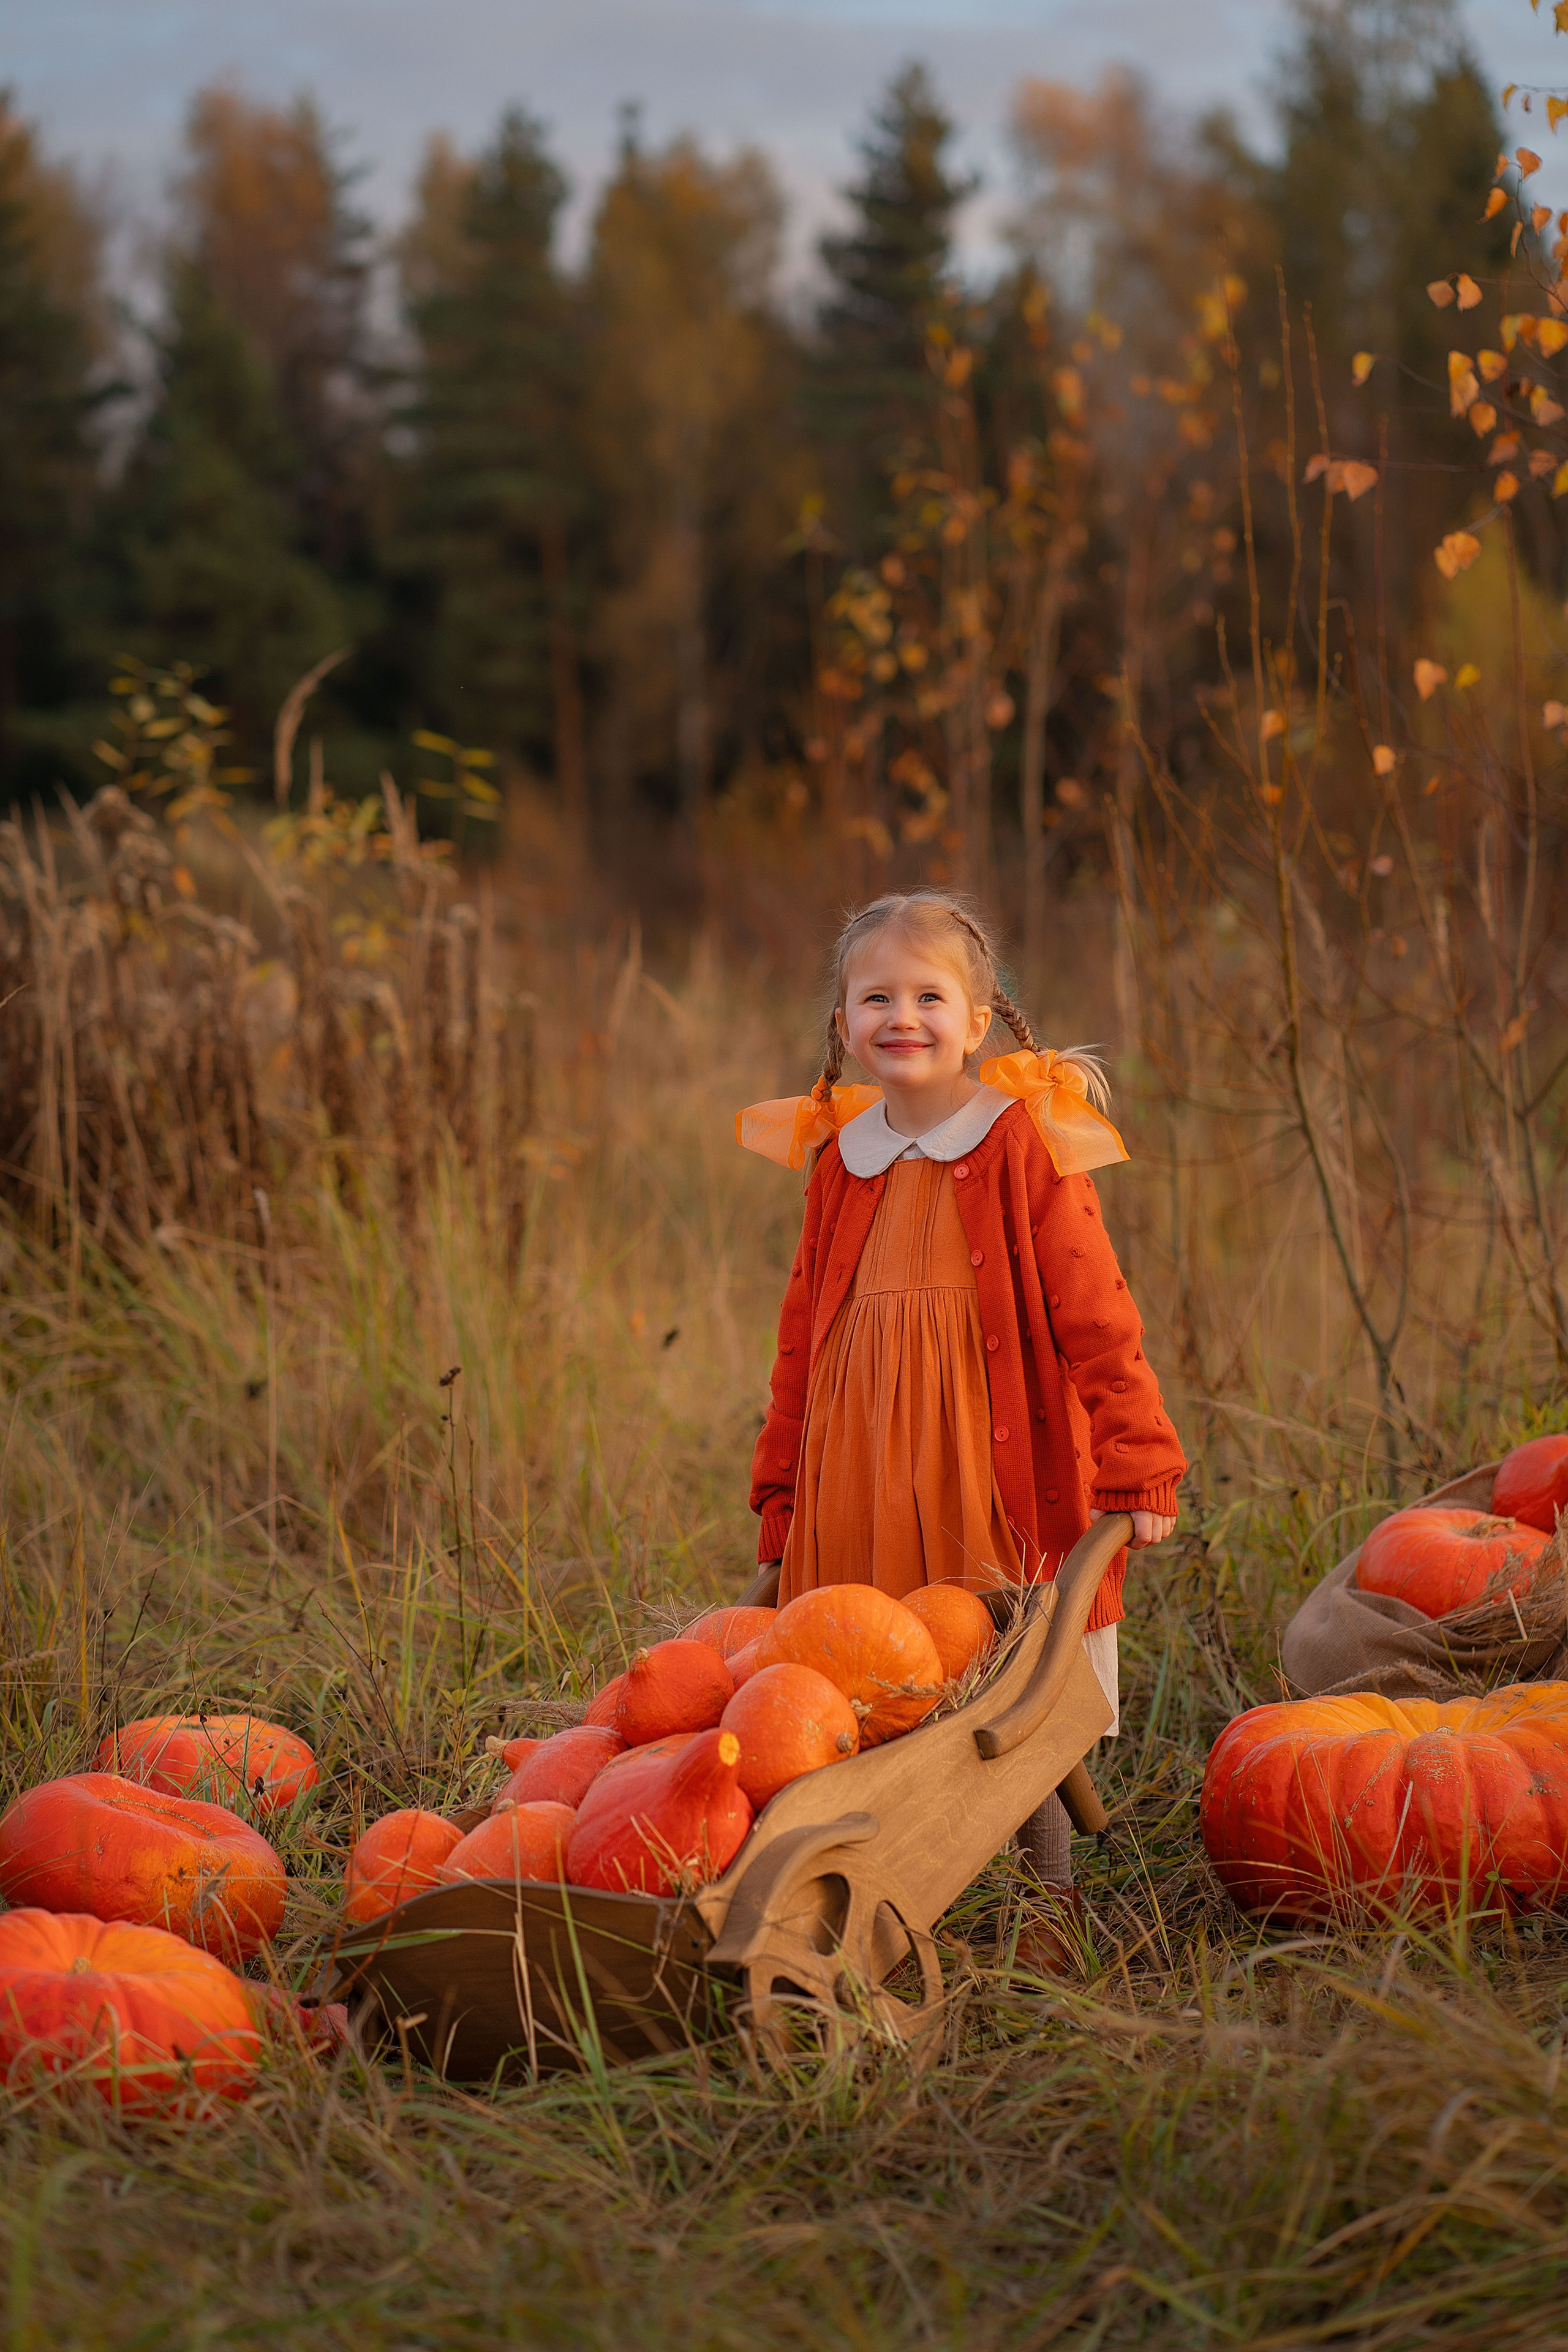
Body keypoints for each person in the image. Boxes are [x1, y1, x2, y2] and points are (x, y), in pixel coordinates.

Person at [736, 889, 1185, 1970]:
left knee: (1007, 1664)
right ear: (843, 1024)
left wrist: (1138, 1460)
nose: (903, 1017)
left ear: (979, 1021)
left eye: (929, 997)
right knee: (861, 1669)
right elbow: (801, 1338)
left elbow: (1098, 1315)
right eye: (876, 998)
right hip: (858, 1468)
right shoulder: (843, 1158)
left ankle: (1047, 1893)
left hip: (984, 1460)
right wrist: (783, 1490)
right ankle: (870, 1885)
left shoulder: (1021, 1140)